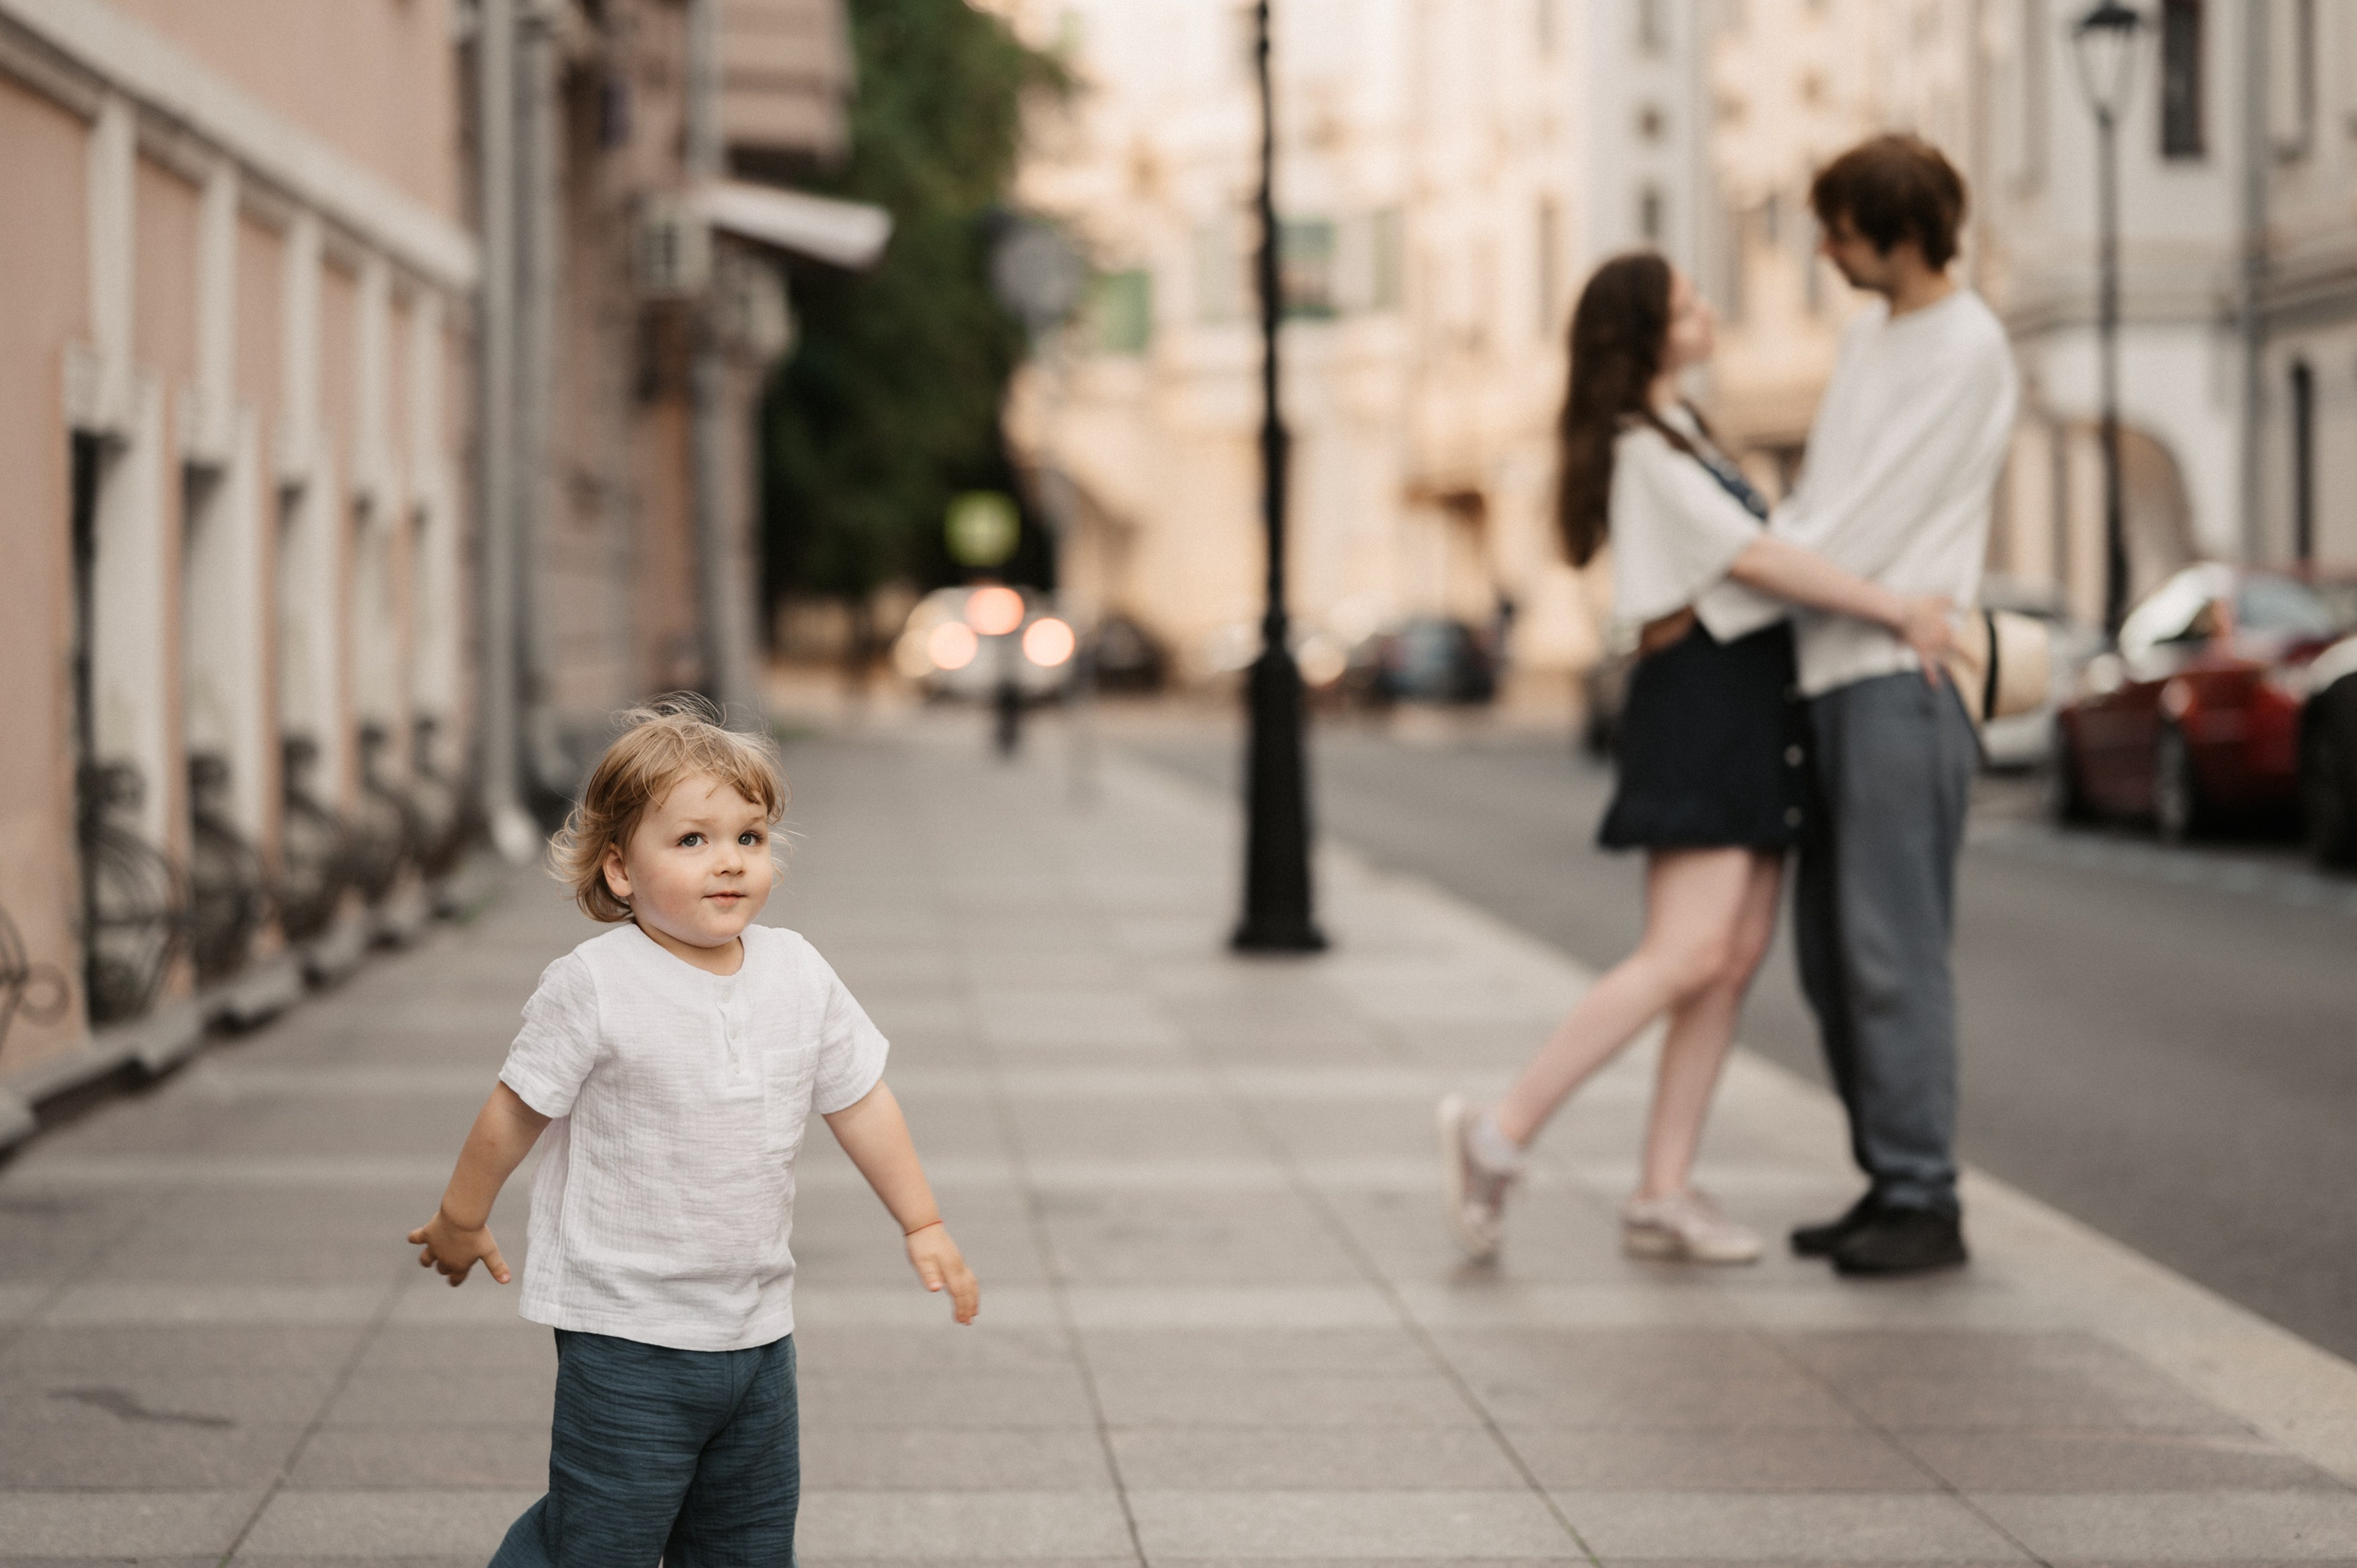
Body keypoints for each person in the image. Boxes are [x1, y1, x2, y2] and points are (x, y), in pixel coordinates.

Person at [1437, 251, 1956, 1266]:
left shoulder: (1679, 433)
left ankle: (1661, 1190)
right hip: (1703, 703)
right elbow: (1756, 559)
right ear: (1644, 332)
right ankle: (1498, 1133)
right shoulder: (1642, 448)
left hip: (1745, 700)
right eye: (1686, 303)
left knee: (1728, 959)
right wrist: (1896, 606)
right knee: (1682, 953)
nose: (1707, 311)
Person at [407, 696, 979, 1564]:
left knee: (746, 1542)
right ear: (621, 871)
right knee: (599, 1540)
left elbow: (859, 1097)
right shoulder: (595, 982)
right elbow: (516, 1106)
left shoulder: (797, 969)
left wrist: (923, 1220)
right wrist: (461, 1215)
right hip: (626, 1330)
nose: (729, 863)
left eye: (749, 837)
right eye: (692, 840)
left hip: (756, 1330)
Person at [1722, 134, 2017, 1277]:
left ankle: (1921, 1193)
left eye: (1839, 227)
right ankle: (1886, 1171)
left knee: (1892, 948)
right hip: (1834, 666)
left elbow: (1862, 520)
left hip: (1903, 682)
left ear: (1896, 230)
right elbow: (1826, 502)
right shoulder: (1865, 340)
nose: (1824, 247)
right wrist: (1768, 552)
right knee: (1831, 954)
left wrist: (1738, 565)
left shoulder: (1969, 346)